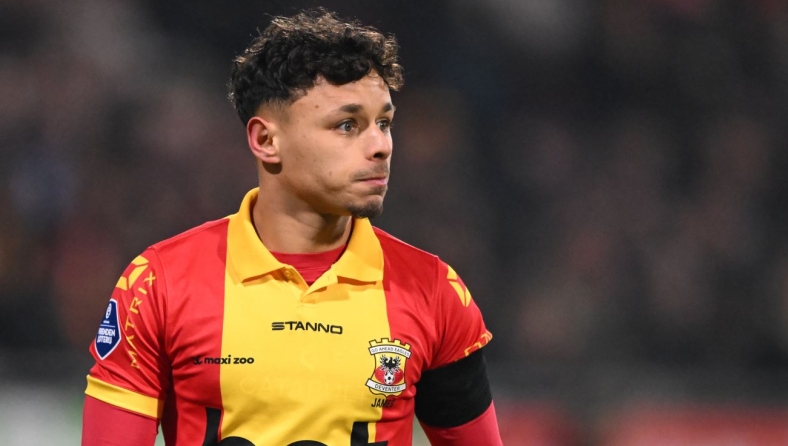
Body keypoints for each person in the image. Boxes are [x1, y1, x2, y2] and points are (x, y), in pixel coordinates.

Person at [81, 8, 501, 446]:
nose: (380, 146)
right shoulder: (159, 284)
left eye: (384, 123)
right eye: (347, 125)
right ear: (266, 141)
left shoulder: (433, 291)